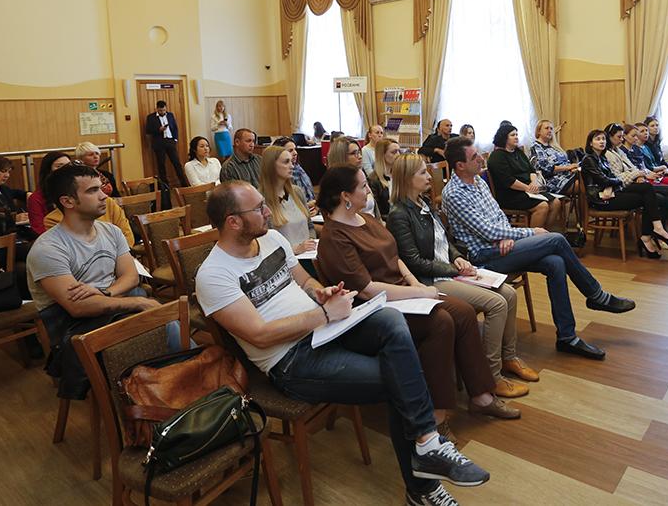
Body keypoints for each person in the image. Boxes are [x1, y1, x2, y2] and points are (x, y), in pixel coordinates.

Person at [195, 181, 490, 505]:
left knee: (391, 320)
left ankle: (427, 444)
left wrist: (320, 293)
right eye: (259, 208)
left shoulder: (271, 239)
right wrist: (323, 313)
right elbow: (259, 334)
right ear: (233, 221)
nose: (268, 212)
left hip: (324, 328)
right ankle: (423, 484)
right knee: (398, 378)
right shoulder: (213, 274)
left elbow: (304, 280)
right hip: (291, 360)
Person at [316, 165, 520, 442]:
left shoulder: (366, 219)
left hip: (401, 294)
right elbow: (367, 289)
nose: (369, 190)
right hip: (373, 310)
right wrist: (417, 293)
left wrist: (416, 285)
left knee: (463, 313)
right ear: (345, 196)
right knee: (441, 323)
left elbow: (395, 257)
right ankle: (435, 417)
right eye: (363, 186)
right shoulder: (334, 236)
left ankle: (482, 396)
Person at [441, 137, 636, 360]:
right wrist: (529, 232)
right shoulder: (454, 193)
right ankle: (597, 296)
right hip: (483, 258)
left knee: (556, 262)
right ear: (460, 165)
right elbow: (487, 231)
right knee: (556, 240)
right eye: (474, 156)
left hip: (501, 247)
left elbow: (498, 216)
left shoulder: (478, 181)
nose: (480, 159)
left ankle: (567, 337)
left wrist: (506, 235)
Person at [387, 154, 538, 398]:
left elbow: (444, 240)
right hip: (432, 280)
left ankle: (509, 358)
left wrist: (456, 256)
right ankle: (492, 376)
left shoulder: (423, 203)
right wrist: (453, 269)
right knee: (497, 304)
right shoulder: (399, 214)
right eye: (422, 173)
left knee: (509, 294)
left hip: (448, 271)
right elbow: (414, 262)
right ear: (407, 178)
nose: (429, 177)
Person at [26, 163, 170, 400]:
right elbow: (78, 307)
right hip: (77, 331)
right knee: (162, 323)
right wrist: (138, 303)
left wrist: (104, 293)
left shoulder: (111, 231)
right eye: (93, 191)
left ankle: (179, 390)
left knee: (167, 322)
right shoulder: (48, 249)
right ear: (68, 201)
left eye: (100, 188)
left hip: (113, 312)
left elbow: (131, 276)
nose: (104, 196)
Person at [580, 130, 668, 259]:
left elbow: (611, 178)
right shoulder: (589, 159)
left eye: (603, 139)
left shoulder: (602, 157)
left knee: (649, 192)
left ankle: (651, 233)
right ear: (590, 143)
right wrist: (619, 181)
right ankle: (650, 234)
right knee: (648, 196)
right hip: (601, 200)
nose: (602, 141)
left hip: (612, 192)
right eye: (598, 139)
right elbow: (604, 180)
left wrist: (618, 181)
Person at [603, 124, 668, 246]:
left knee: (667, 194)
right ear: (610, 137)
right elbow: (618, 177)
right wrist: (639, 174)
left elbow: (634, 168)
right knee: (662, 194)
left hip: (636, 181)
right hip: (624, 187)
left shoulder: (618, 151)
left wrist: (640, 174)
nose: (621, 139)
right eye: (619, 137)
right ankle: (662, 232)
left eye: (622, 136)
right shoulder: (609, 154)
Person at [486, 124, 560, 229]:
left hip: (528, 190)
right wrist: (528, 188)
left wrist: (533, 183)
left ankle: (545, 233)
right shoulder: (497, 156)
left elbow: (531, 170)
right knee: (542, 206)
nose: (516, 137)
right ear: (504, 137)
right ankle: (534, 237)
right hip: (510, 194)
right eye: (512, 135)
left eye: (517, 134)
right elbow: (508, 181)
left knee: (556, 203)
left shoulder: (518, 152)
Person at [259, 145, 317, 258]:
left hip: (308, 255)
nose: (292, 166)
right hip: (284, 260)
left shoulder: (297, 192)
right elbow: (264, 242)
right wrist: (295, 249)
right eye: (286, 162)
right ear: (271, 166)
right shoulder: (261, 200)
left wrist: (310, 242)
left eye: (291, 161)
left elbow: (310, 226)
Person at [327, 138, 377, 217]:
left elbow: (374, 209)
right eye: (354, 153)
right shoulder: (335, 186)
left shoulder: (360, 175)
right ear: (341, 157)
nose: (360, 156)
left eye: (359, 152)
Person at [529, 120, 579, 196]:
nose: (550, 131)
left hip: (568, 175)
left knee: (588, 176)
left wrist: (572, 168)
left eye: (551, 129)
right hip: (554, 181)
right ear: (538, 131)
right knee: (583, 184)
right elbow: (547, 168)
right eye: (547, 128)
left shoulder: (554, 147)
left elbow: (566, 162)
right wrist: (568, 167)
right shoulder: (536, 147)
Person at [27, 151, 72, 236]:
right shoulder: (36, 198)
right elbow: (39, 230)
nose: (66, 170)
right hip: (53, 239)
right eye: (59, 166)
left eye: (69, 166)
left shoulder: (77, 192)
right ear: (48, 171)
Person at [144, 100, 187, 187]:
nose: (162, 112)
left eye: (164, 110)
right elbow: (148, 130)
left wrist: (175, 139)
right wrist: (159, 130)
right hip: (159, 143)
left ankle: (184, 184)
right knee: (161, 165)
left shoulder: (170, 115)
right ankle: (165, 186)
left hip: (170, 141)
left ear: (166, 108)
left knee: (176, 163)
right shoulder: (151, 117)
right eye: (160, 110)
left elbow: (175, 128)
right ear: (156, 109)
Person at [272, 136, 316, 208]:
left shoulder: (298, 168)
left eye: (295, 149)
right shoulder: (282, 174)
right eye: (290, 150)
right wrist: (309, 205)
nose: (295, 153)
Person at [368, 138, 400, 217]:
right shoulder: (373, 180)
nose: (398, 155)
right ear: (382, 154)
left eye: (399, 151)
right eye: (394, 152)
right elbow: (376, 210)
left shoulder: (400, 175)